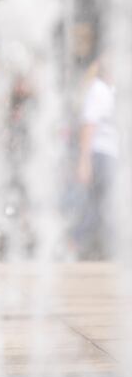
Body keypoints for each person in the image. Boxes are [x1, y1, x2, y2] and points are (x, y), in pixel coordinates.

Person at [74, 54, 116, 259]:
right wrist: (84, 161)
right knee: (99, 206)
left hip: (111, 154)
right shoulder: (98, 91)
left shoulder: (110, 90)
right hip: (100, 154)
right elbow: (88, 126)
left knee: (102, 206)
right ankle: (75, 244)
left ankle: (94, 247)